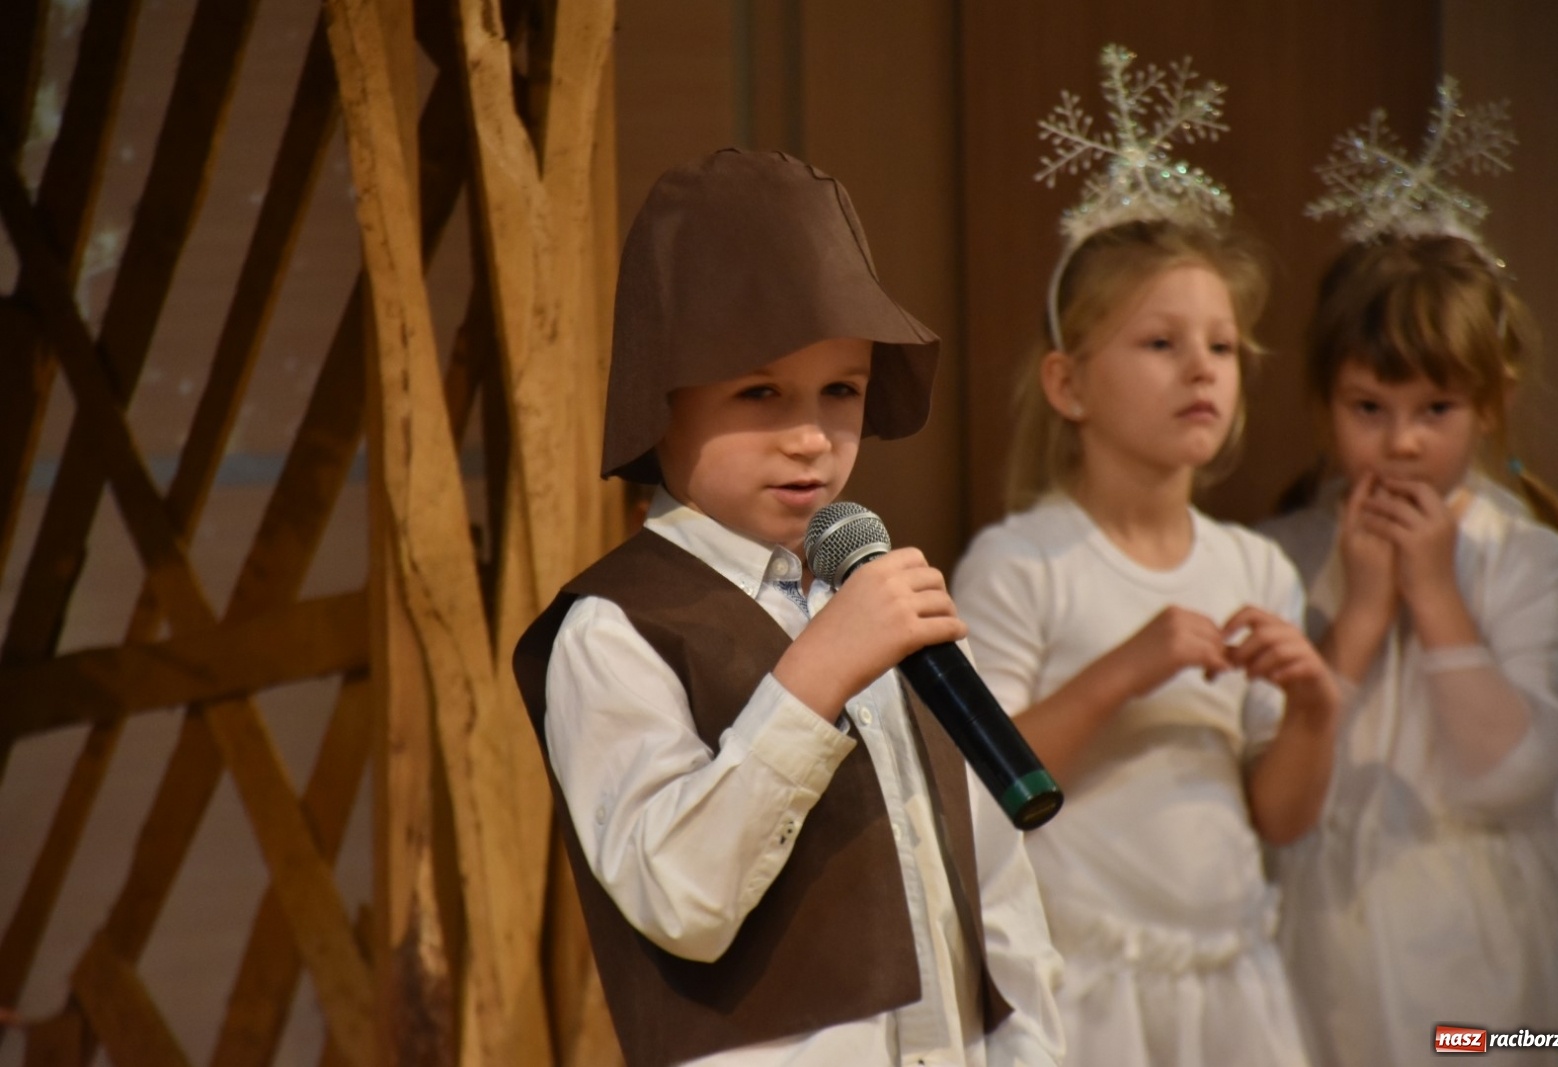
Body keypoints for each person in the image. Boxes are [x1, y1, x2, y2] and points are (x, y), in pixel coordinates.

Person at [512, 148, 1065, 1067]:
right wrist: (813, 677)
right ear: (663, 399)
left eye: (840, 391)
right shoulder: (616, 625)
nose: (810, 435)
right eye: (760, 391)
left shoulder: (871, 589)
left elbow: (993, 892)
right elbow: (678, 895)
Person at [951, 46, 1338, 1067]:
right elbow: (979, 786)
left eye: (1221, 344)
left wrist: (1313, 707)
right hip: (1088, 990)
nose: (1201, 367)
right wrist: (1133, 663)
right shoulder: (1020, 560)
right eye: (1160, 343)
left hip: (1230, 983)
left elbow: (1279, 815)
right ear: (1069, 384)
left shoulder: (1255, 569)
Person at [1258, 80, 1558, 1066]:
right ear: (1325, 403)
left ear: (1490, 406)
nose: (1400, 443)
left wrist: (1437, 594)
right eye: (1368, 408)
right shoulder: (1287, 553)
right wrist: (1361, 611)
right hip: (1324, 925)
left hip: (1481, 942)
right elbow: (1276, 776)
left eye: (1434, 410)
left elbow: (1516, 777)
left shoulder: (1521, 554)